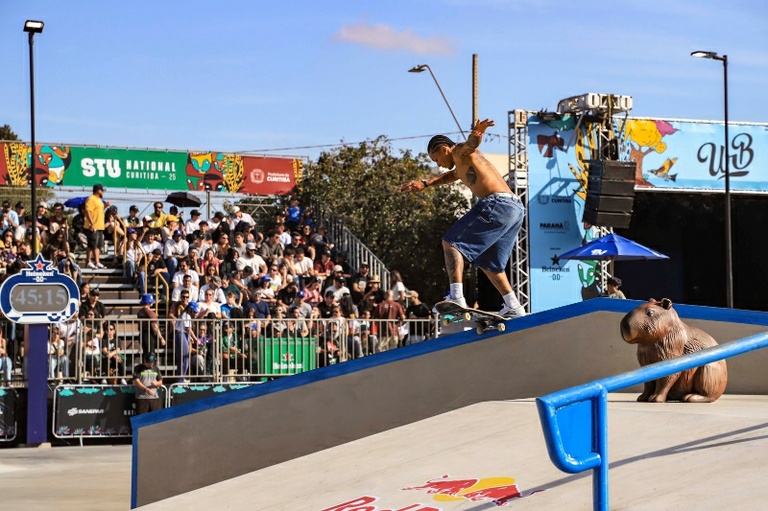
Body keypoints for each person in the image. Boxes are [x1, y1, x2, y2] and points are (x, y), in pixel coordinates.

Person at [399, 119, 527, 319]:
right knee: (489, 263)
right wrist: (425, 183)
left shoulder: (459, 151)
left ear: (444, 149)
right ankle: (514, 306)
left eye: (437, 159)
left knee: (451, 243)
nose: (438, 165)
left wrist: (477, 134)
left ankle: (457, 296)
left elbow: (470, 145)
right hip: (515, 209)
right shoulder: (460, 166)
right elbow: (449, 177)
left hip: (497, 204)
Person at [83, 183, 108, 269]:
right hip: (93, 226)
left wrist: (105, 206)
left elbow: (98, 211)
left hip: (100, 226)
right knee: (91, 245)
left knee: (98, 245)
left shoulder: (99, 200)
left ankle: (97, 262)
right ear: (98, 190)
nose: (103, 192)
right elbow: (88, 211)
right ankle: (88, 261)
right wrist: (92, 223)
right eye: (102, 190)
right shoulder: (91, 198)